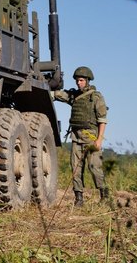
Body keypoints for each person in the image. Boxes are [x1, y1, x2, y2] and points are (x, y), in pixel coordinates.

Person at [53, 66, 109, 207]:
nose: (79, 83)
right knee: (76, 169)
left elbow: (102, 120)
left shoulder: (96, 97)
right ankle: (79, 199)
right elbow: (57, 94)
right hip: (76, 138)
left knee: (94, 167)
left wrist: (99, 140)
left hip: (91, 138)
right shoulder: (75, 96)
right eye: (77, 80)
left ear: (88, 81)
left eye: (82, 80)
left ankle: (104, 195)